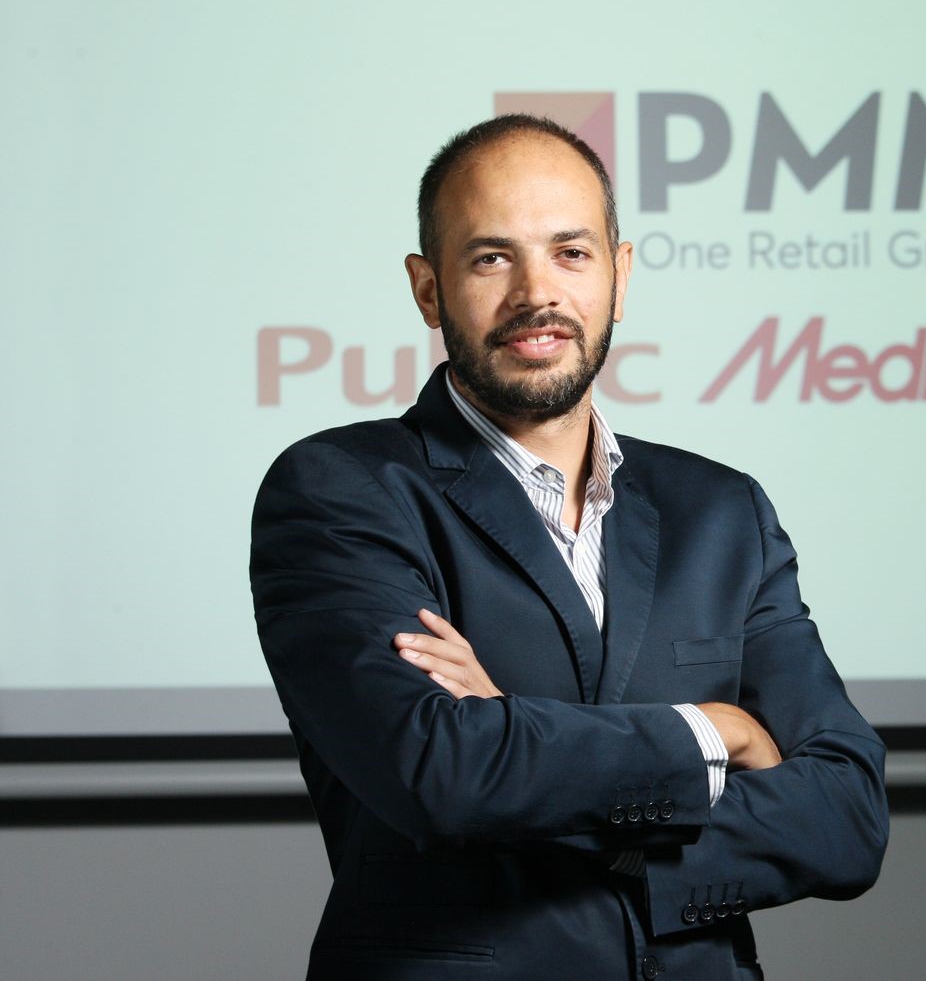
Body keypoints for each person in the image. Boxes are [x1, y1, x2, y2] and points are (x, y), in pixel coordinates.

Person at [249, 113, 888, 981]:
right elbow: (441, 773)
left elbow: (846, 818)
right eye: (491, 258)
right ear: (428, 289)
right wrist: (719, 732)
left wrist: (516, 742)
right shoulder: (342, 491)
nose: (536, 294)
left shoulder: (721, 513)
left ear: (619, 277)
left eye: (571, 253)